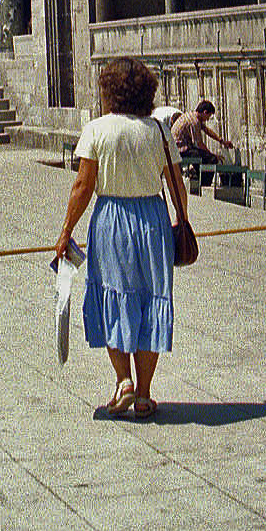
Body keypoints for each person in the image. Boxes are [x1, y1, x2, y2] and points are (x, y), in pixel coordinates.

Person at [55, 56, 188, 419]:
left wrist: (66, 231)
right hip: (152, 221)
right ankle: (144, 395)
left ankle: (123, 381)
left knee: (113, 296)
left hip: (112, 219)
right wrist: (182, 220)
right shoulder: (158, 130)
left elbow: (83, 186)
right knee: (150, 301)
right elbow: (177, 185)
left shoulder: (97, 130)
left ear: (110, 91)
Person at [173, 99, 233, 165]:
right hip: (180, 150)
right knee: (210, 159)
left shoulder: (192, 115)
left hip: (179, 148)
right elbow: (199, 144)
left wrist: (221, 141)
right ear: (205, 112)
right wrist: (212, 155)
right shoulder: (194, 122)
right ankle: (201, 174)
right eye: (208, 116)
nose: (207, 119)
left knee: (205, 156)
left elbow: (206, 130)